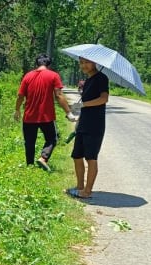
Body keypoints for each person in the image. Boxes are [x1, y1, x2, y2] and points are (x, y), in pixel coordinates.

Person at [14, 54, 77, 171]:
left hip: (29, 115)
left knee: (29, 142)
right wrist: (68, 112)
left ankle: (29, 166)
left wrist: (17, 110)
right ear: (49, 64)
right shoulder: (53, 75)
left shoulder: (27, 76)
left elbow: (20, 96)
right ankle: (43, 158)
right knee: (52, 138)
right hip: (46, 116)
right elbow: (58, 95)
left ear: (36, 64)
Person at [67, 57, 109, 199]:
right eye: (81, 63)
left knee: (91, 157)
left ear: (95, 62)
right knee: (77, 156)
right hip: (84, 123)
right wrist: (78, 116)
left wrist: (83, 105)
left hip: (95, 125)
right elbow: (86, 103)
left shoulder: (101, 78)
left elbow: (104, 99)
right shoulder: (87, 80)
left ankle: (87, 191)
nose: (84, 65)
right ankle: (80, 186)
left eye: (87, 62)